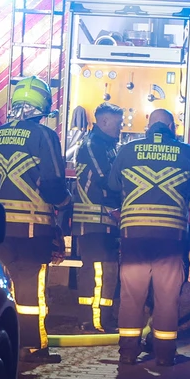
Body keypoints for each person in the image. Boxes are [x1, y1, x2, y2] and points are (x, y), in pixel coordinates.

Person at [106, 109, 190, 367]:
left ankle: (128, 353)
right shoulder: (187, 153)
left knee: (131, 295)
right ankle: (164, 355)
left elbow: (112, 186)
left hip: (133, 235)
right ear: (172, 128)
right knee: (167, 296)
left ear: (148, 126)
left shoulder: (127, 151)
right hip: (171, 238)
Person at [0, 77, 70, 362]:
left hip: (4, 227)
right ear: (42, 105)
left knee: (6, 284)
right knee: (31, 289)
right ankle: (33, 347)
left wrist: (8, 191)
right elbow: (54, 181)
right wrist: (65, 203)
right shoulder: (44, 135)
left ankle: (6, 341)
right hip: (35, 227)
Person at [71, 103, 123, 332]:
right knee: (95, 271)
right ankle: (89, 321)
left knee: (108, 271)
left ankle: (104, 319)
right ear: (103, 122)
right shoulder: (92, 145)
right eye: (118, 123)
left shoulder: (109, 146)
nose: (121, 128)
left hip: (105, 220)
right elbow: (107, 179)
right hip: (91, 222)